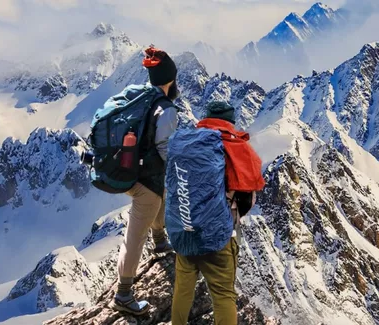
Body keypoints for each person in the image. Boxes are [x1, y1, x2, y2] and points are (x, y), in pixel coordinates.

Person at [170, 101, 263, 325]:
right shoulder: (236, 147)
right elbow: (248, 197)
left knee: (182, 291)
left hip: (185, 228)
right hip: (218, 235)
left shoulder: (186, 143)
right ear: (230, 121)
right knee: (223, 295)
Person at [109, 46, 186, 316]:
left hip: (130, 171)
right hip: (144, 183)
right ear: (171, 80)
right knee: (134, 236)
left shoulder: (140, 98)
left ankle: (160, 240)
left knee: (161, 192)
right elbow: (165, 150)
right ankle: (124, 293)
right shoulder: (165, 109)